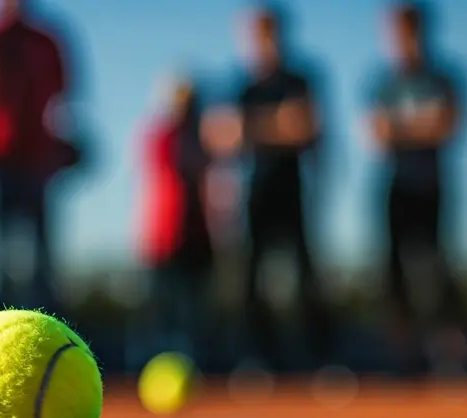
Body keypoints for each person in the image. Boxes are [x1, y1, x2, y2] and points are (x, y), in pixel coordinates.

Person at [0, 0, 81, 320]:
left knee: (42, 261)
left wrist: (64, 145)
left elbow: (63, 102)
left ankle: (49, 334)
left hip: (38, 163)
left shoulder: (47, 41)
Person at [366, 2, 467, 376]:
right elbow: (375, 135)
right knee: (393, 275)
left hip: (433, 186)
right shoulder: (382, 82)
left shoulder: (443, 78)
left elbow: (449, 126)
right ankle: (403, 361)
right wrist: (421, 125)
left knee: (438, 270)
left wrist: (402, 129)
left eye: (407, 31)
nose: (400, 40)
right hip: (395, 189)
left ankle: (450, 356)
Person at [230, 4, 336, 372]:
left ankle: (323, 359)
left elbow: (308, 128)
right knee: (250, 280)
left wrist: (252, 128)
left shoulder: (300, 80)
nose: (262, 42)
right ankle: (258, 360)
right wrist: (280, 124)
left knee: (308, 276)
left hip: (294, 190)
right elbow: (223, 136)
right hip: (254, 194)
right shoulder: (241, 86)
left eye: (267, 32)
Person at [132, 73, 217, 369]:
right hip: (165, 237)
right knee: (163, 307)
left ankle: (194, 361)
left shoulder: (203, 135)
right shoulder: (163, 135)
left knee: (195, 309)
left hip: (198, 236)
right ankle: (157, 361)